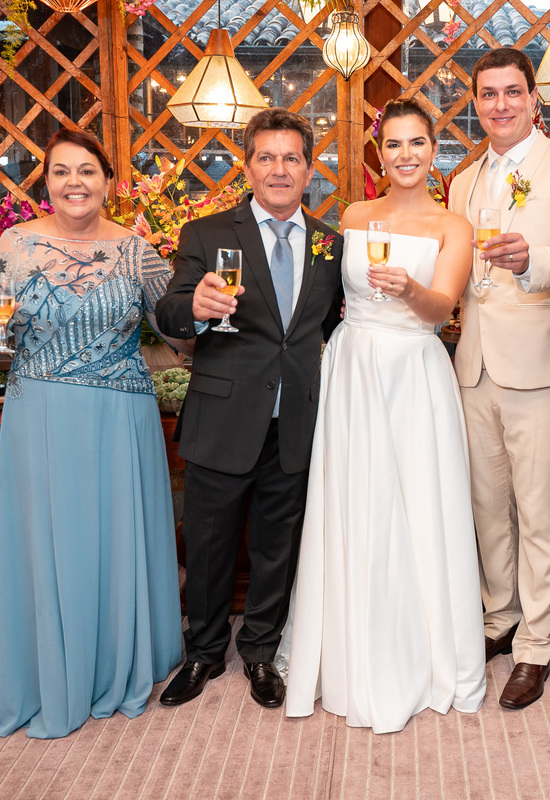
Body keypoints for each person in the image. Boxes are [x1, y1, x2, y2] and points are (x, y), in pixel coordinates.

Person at [0, 129, 183, 738]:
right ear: (47, 184)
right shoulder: (11, 246)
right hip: (40, 415)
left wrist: (211, 311)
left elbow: (182, 335)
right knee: (50, 540)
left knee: (114, 536)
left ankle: (120, 657)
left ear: (108, 181)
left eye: (87, 170)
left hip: (121, 418)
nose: (74, 183)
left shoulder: (137, 252)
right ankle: (52, 667)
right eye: (61, 172)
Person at [280, 99, 485, 734]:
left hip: (414, 372)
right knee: (356, 501)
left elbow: (442, 308)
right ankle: (345, 646)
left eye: (417, 143)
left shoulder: (453, 226)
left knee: (418, 502)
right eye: (393, 144)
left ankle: (424, 651)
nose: (405, 155)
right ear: (379, 152)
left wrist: (410, 289)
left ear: (433, 149)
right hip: (354, 369)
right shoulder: (352, 216)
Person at [153, 109, 344, 709]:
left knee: (276, 544)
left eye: (292, 158)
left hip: (296, 422)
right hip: (224, 417)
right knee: (207, 545)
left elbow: (337, 326)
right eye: (267, 157)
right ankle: (204, 651)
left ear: (309, 169)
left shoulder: (332, 244)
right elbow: (170, 310)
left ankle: (261, 652)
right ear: (249, 165)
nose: (279, 169)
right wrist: (198, 307)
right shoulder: (207, 234)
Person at [447, 47, 550, 710]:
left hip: (543, 366)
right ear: (476, 102)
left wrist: (527, 259)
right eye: (488, 94)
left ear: (534, 99)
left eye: (513, 92)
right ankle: (499, 617)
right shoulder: (462, 181)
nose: (501, 105)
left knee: (543, 514)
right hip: (474, 364)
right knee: (487, 510)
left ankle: (536, 646)